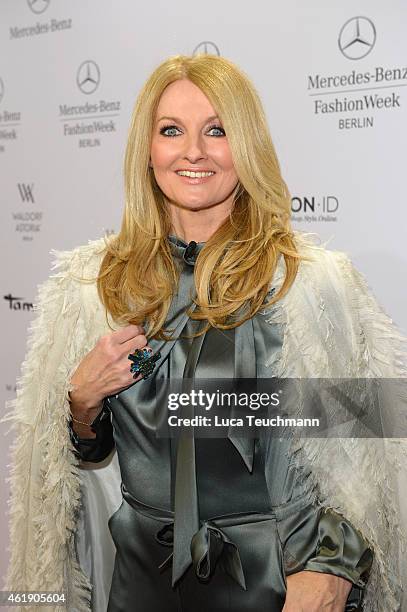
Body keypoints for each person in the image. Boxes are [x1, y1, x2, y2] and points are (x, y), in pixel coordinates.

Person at [3, 54, 406, 612]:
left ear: (247, 146)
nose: (193, 151)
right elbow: (80, 465)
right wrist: (80, 404)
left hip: (280, 584)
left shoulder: (309, 285)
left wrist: (331, 569)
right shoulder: (93, 288)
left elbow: (366, 456)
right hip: (140, 582)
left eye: (216, 130)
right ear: (148, 150)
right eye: (172, 130)